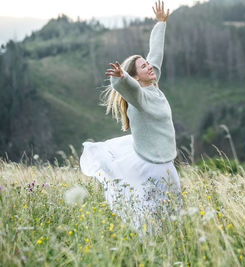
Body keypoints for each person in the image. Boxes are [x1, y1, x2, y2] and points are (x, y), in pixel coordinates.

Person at [80, 0, 181, 234]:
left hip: (164, 160)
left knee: (170, 211)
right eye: (144, 67)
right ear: (136, 77)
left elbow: (156, 54)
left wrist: (160, 23)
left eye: (147, 64)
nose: (149, 67)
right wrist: (120, 77)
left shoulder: (153, 85)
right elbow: (127, 86)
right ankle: (154, 242)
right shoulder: (140, 96)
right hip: (153, 165)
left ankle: (164, 241)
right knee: (159, 212)